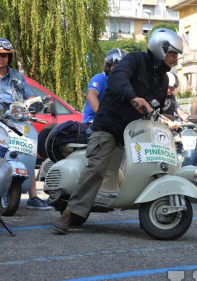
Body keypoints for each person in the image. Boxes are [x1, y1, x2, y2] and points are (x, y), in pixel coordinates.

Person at [53, 28, 184, 234]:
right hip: (108, 126)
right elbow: (117, 79)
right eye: (173, 53)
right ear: (162, 48)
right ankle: (70, 213)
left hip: (134, 131)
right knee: (96, 168)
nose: (175, 59)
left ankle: (147, 204)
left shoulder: (163, 79)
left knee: (145, 165)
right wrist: (133, 97)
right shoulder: (134, 60)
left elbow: (156, 107)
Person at [0, 37, 50, 211]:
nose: (0, 58)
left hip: (15, 120)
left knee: (26, 151)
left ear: (9, 57)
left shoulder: (18, 78)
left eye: (4, 55)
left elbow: (30, 99)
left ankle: (33, 197)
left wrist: (30, 112)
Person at [82, 48, 126, 123]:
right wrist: (103, 115)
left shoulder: (124, 82)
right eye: (115, 66)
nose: (119, 69)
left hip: (115, 123)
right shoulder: (100, 78)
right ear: (107, 66)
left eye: (122, 67)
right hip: (94, 122)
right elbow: (91, 96)